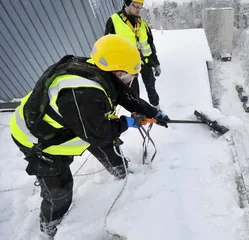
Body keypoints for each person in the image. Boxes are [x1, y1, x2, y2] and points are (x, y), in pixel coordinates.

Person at [9, 34, 170, 238]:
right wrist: (128, 122)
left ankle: (120, 170)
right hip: (38, 139)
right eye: (132, 75)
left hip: (76, 121)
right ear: (119, 72)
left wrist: (154, 113)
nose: (133, 79)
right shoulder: (83, 94)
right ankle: (50, 223)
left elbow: (125, 97)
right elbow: (99, 134)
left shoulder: (101, 71)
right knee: (59, 191)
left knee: (108, 145)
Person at [104, 0, 162, 110]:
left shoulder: (143, 23)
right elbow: (109, 46)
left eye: (141, 7)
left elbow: (150, 45)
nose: (139, 10)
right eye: (136, 7)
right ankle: (138, 112)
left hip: (145, 63)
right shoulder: (114, 21)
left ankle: (156, 107)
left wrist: (156, 63)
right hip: (127, 66)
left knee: (151, 87)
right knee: (133, 92)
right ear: (127, 4)